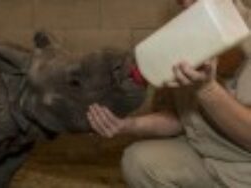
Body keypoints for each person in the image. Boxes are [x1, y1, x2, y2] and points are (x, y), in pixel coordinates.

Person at [87, 0, 251, 187]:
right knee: (139, 161)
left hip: (245, 171)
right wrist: (127, 125)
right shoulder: (181, 34)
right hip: (205, 156)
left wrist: (208, 90)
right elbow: (178, 119)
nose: (186, 4)